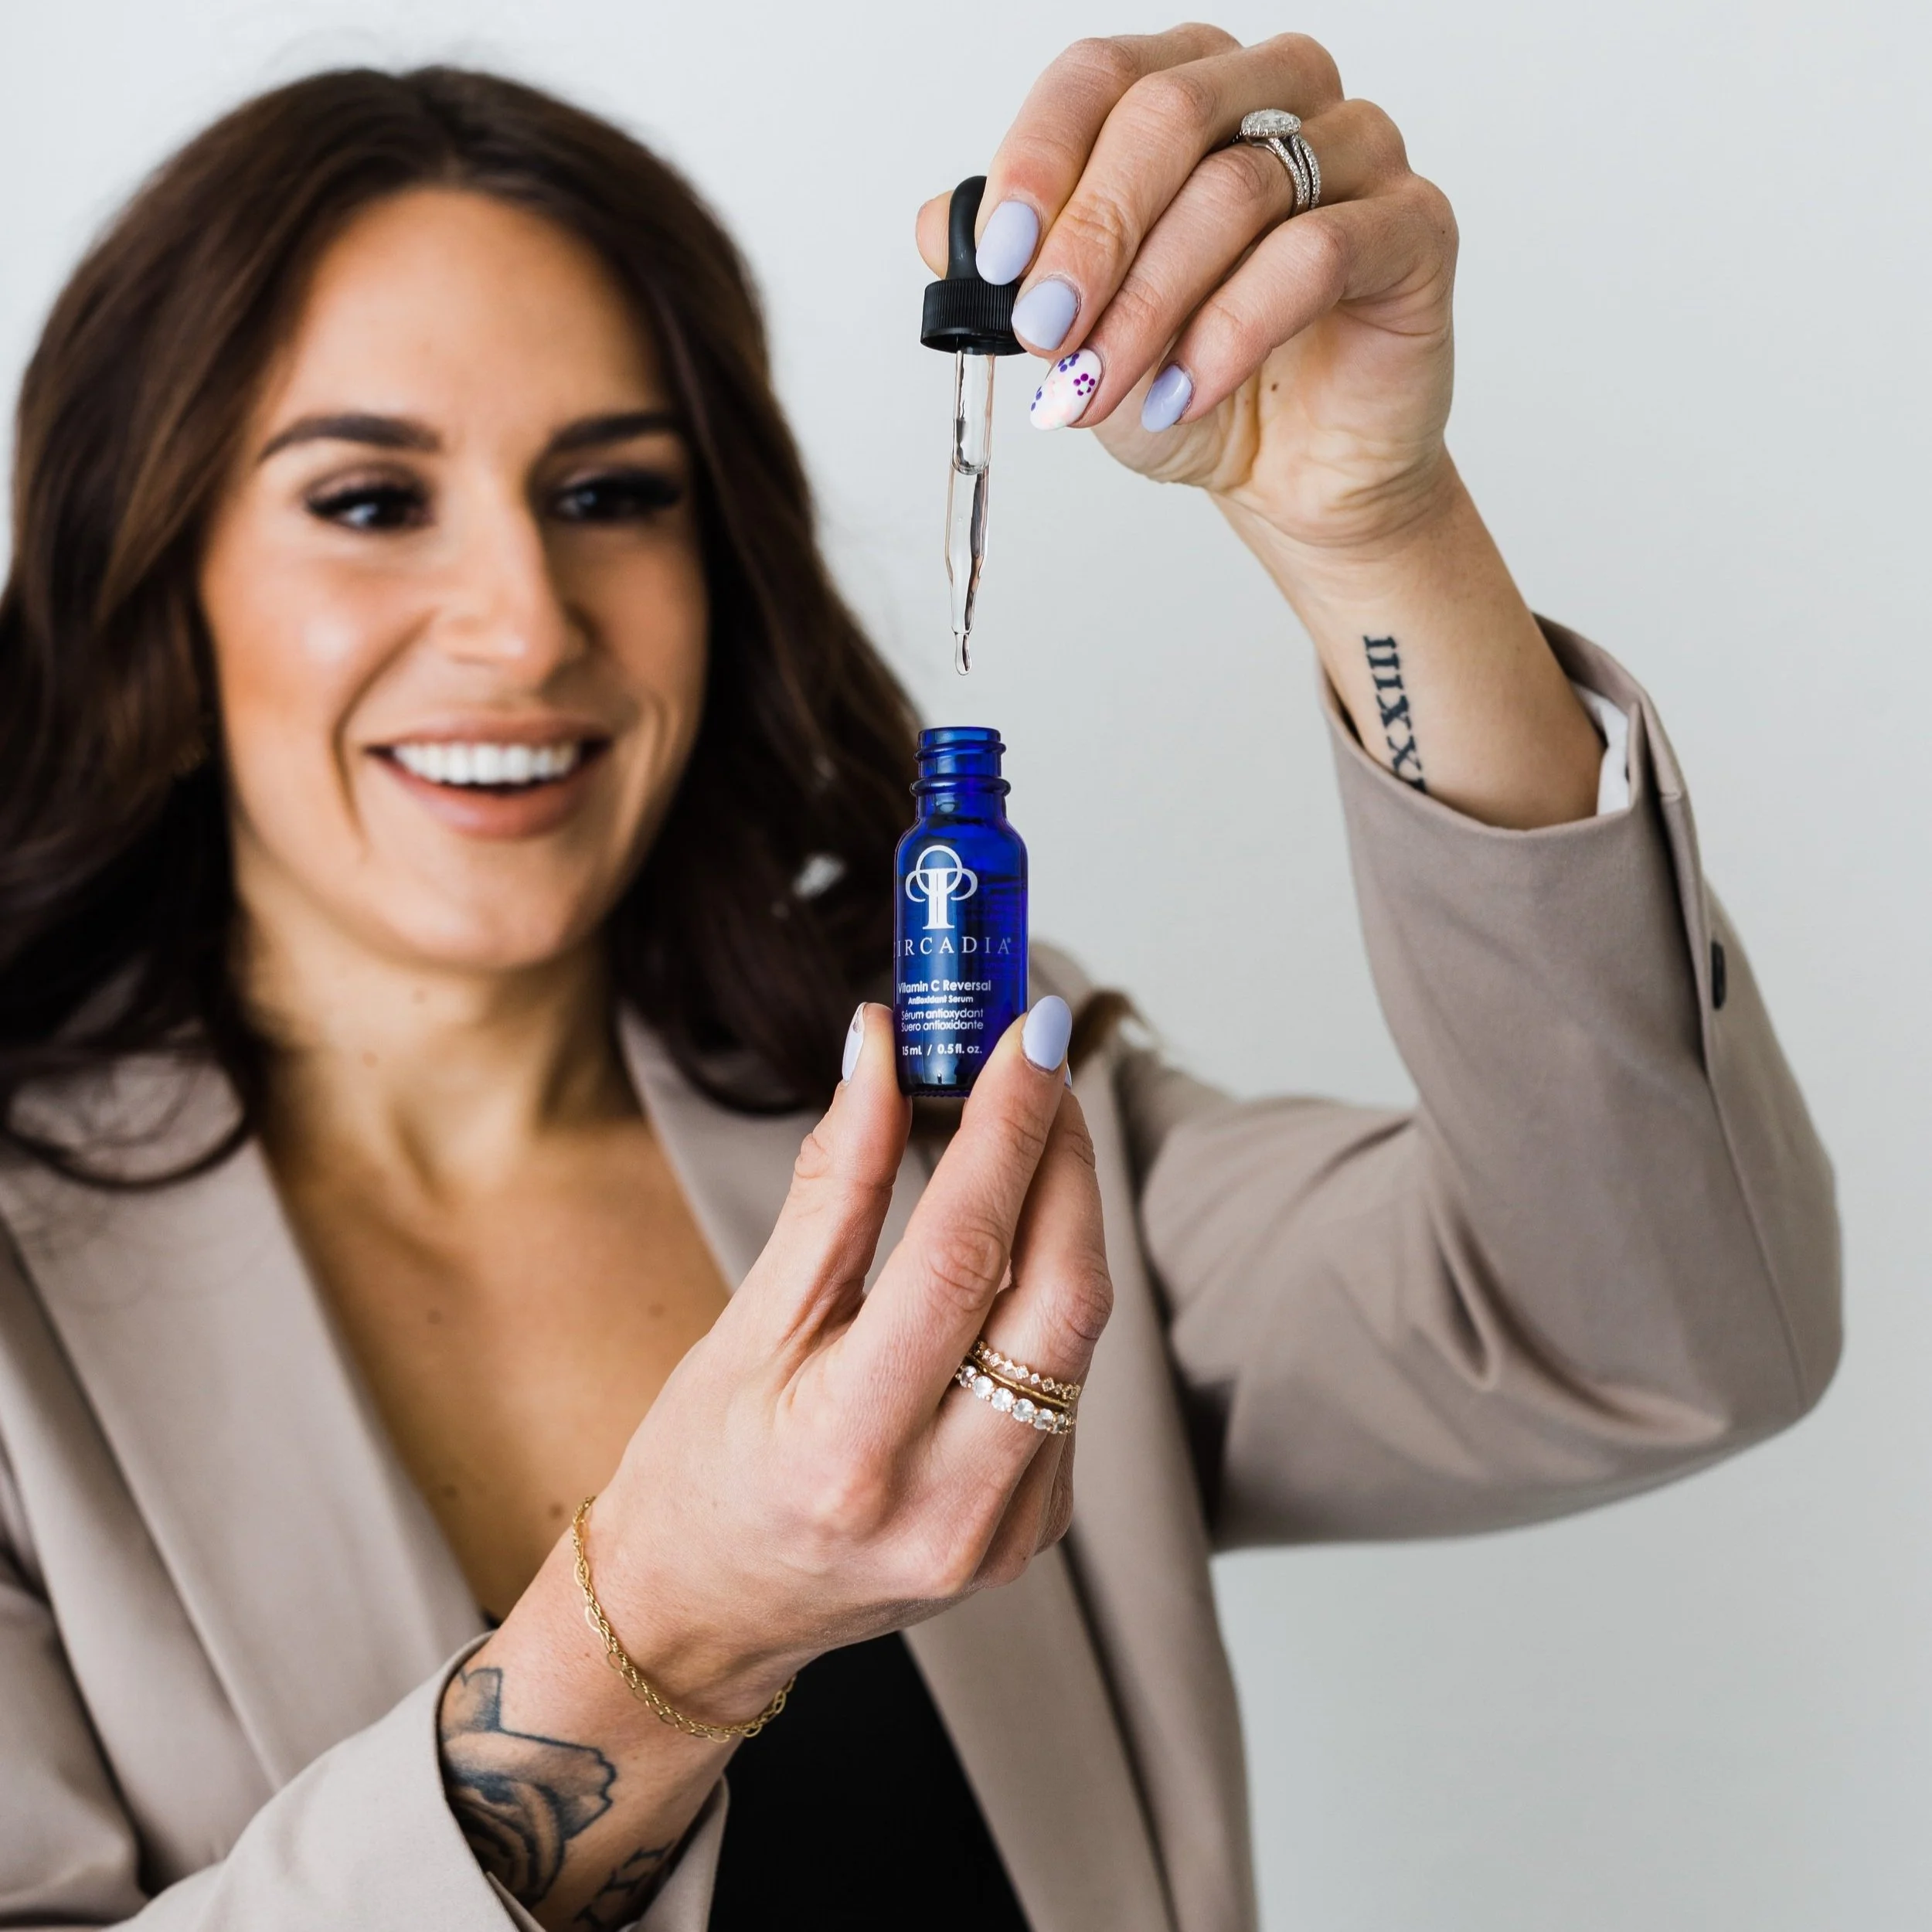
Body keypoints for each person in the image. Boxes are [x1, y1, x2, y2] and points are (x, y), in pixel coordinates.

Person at [0, 35, 1838, 1932]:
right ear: (149, 577)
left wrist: (1373, 534)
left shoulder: (986, 1131)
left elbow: (1664, 1330)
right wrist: (665, 1638)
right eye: (371, 501)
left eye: (611, 493)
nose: (524, 626)